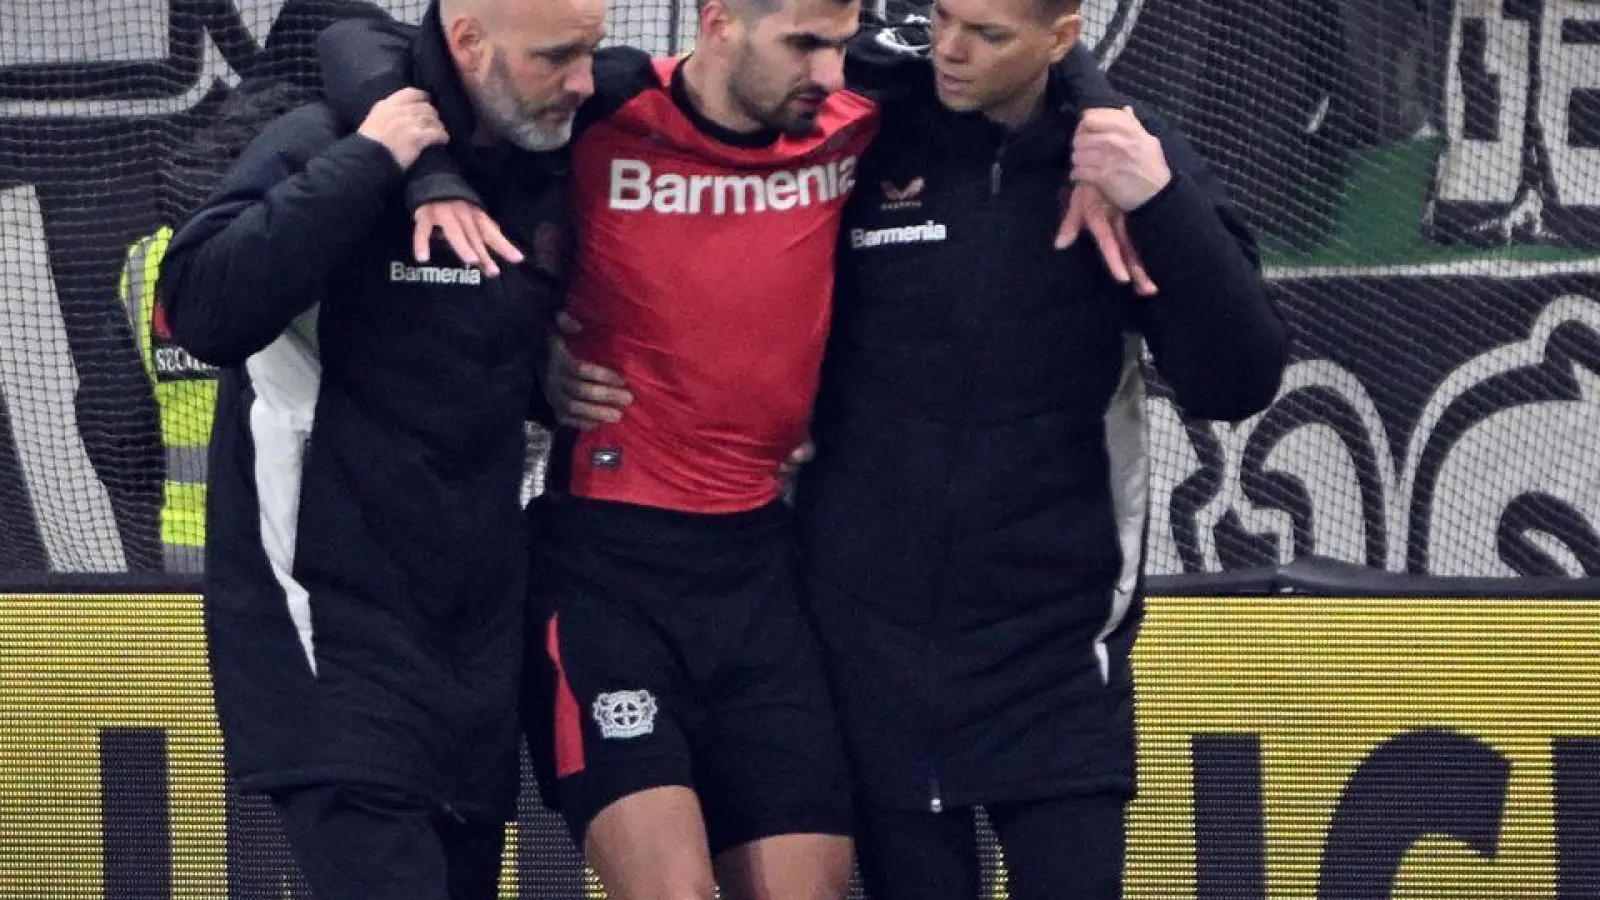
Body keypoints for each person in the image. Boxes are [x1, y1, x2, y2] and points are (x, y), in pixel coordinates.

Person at [317, 4, 1142, 900]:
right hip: (605, 575)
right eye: (804, 43)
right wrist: (510, 323)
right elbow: (349, 37)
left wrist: (1104, 142)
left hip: (761, 575)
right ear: (718, 23)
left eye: (840, 41)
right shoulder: (603, 102)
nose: (830, 69)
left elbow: (1043, 48)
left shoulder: (858, 106)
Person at [543, 3, 1288, 899]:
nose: (954, 51)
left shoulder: (1119, 158)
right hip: (867, 658)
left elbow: (1236, 378)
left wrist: (1149, 191)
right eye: (943, 18)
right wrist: (534, 358)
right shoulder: (871, 123)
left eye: (990, 34)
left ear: (1063, 37)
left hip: (1050, 658)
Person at [154, 0, 601, 895]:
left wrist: (548, 385)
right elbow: (201, 308)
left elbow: (435, 359)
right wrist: (374, 160)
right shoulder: (323, 136)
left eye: (590, 51)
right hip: (328, 629)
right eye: (559, 56)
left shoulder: (539, 163)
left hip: (472, 647)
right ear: (471, 42)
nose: (585, 81)